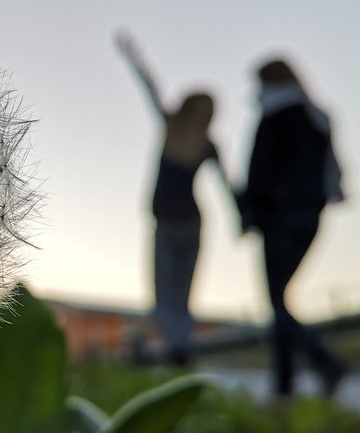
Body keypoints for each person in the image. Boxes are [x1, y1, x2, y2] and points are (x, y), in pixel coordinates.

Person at [114, 30, 231, 365]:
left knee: (164, 295)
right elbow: (228, 188)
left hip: (166, 221)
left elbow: (151, 89)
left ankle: (177, 353)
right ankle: (180, 352)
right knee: (181, 295)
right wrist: (242, 219)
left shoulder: (172, 126)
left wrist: (134, 57)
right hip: (192, 222)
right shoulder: (208, 145)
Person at [236, 55, 348, 398]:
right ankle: (288, 382)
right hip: (311, 216)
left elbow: (259, 170)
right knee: (280, 299)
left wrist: (248, 211)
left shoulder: (275, 115)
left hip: (278, 216)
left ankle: (316, 366)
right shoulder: (316, 117)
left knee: (276, 300)